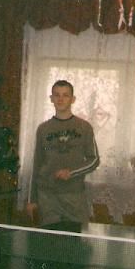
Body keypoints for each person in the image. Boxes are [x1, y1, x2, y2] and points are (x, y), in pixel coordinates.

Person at [26, 80, 100, 233]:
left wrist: (71, 172)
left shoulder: (84, 127)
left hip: (74, 196)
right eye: (57, 95)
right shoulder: (43, 129)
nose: (60, 99)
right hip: (47, 197)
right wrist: (32, 199)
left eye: (65, 95)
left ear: (73, 99)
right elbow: (37, 163)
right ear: (51, 98)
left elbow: (94, 160)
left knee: (76, 241)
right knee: (49, 241)